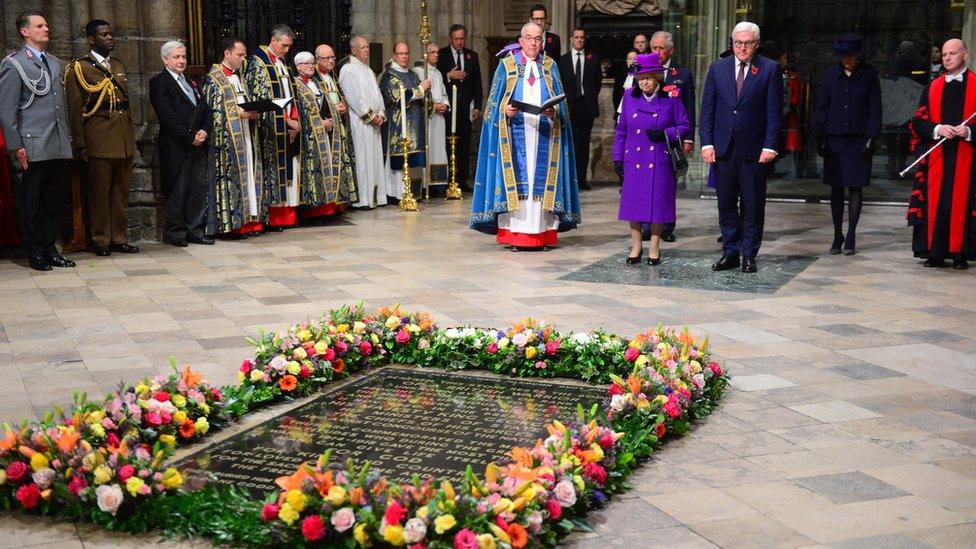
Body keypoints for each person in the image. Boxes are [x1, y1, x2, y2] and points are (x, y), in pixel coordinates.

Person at [470, 22, 580, 250]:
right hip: (514, 136)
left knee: (537, 184)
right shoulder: (506, 66)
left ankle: (542, 235)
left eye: (537, 38)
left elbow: (563, 107)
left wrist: (554, 111)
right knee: (520, 185)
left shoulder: (550, 66)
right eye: (528, 38)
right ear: (520, 41)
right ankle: (515, 235)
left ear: (542, 41)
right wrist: (505, 110)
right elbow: (491, 107)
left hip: (544, 136)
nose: (533, 42)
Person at [700, 21, 782, 273]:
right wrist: (707, 143)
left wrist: (770, 145)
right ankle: (731, 251)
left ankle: (749, 253)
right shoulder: (717, 68)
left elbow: (774, 112)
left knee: (753, 204)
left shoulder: (769, 69)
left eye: (747, 43)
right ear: (732, 43)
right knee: (725, 203)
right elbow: (708, 110)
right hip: (723, 149)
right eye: (738, 43)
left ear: (756, 44)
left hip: (755, 150)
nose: (742, 48)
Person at [0, 11, 74, 270]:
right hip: (32, 143)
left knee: (52, 200)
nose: (46, 28)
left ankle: (49, 247)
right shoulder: (15, 63)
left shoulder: (54, 62)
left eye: (46, 24)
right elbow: (7, 110)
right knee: (31, 201)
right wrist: (15, 145)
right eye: (39, 25)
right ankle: (34, 252)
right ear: (24, 31)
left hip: (56, 141)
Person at [64, 19, 139, 256]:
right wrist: (80, 143)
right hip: (98, 140)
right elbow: (75, 109)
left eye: (111, 34)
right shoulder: (79, 68)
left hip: (123, 139)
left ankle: (119, 237)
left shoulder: (117, 65)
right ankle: (100, 239)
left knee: (120, 194)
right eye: (104, 35)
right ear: (91, 39)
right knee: (99, 194)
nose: (110, 38)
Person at [613, 53, 691, 266]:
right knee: (633, 204)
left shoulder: (671, 97)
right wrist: (617, 157)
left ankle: (654, 247)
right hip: (634, 159)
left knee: (658, 204)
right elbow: (621, 130)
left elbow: (685, 125)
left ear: (657, 76)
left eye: (648, 77)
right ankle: (636, 245)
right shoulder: (629, 96)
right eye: (640, 78)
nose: (644, 82)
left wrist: (667, 134)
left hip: (659, 159)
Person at [907, 38, 975, 270]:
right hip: (938, 155)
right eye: (944, 54)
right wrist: (937, 128)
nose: (946, 58)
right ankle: (934, 252)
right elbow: (918, 121)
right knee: (938, 202)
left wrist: (968, 131)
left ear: (964, 55)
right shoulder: (933, 86)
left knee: (962, 203)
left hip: (967, 156)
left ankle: (960, 254)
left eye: (952, 53)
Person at [814, 34, 882, 256]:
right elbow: (822, 108)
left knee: (855, 187)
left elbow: (875, 108)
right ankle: (837, 233)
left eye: (851, 57)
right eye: (844, 57)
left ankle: (851, 233)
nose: (848, 61)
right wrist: (820, 137)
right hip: (835, 139)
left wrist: (872, 137)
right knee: (836, 187)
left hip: (859, 139)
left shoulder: (869, 74)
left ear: (857, 56)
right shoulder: (831, 76)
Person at [148, 40, 213, 248]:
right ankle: (175, 232)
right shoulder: (159, 82)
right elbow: (168, 115)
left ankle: (194, 230)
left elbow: (205, 109)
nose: (181, 60)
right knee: (178, 189)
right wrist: (189, 136)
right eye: (176, 57)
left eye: (183, 56)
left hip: (198, 144)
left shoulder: (192, 82)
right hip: (176, 145)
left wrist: (204, 130)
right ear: (165, 60)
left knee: (198, 189)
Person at [200, 37, 266, 237]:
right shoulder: (213, 79)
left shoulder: (240, 77)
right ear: (227, 54)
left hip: (246, 134)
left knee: (248, 176)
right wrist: (238, 113)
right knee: (230, 179)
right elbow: (211, 111)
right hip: (226, 141)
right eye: (239, 55)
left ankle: (248, 221)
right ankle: (229, 225)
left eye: (244, 55)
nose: (243, 59)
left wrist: (252, 112)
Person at [246, 24, 301, 230]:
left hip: (288, 123)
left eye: (289, 47)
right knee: (272, 170)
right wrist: (286, 120)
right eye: (284, 46)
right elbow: (263, 97)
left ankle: (287, 216)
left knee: (286, 169)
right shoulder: (259, 63)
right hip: (269, 126)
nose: (286, 50)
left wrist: (294, 119)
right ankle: (273, 218)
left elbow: (290, 94)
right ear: (273, 40)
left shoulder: (283, 63)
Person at [650, 30, 696, 243]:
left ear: (671, 50)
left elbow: (689, 108)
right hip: (650, 138)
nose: (657, 52)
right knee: (648, 183)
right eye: (654, 48)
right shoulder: (644, 71)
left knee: (668, 185)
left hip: (673, 137)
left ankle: (667, 226)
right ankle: (646, 224)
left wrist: (689, 139)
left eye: (661, 48)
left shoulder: (682, 74)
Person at [292, 51, 347, 218]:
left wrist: (335, 114)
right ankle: (313, 208)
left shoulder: (318, 83)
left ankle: (329, 204)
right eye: (305, 63)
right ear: (297, 67)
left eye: (311, 63)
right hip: (309, 138)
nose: (310, 66)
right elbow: (299, 112)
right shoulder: (296, 85)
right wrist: (318, 124)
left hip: (327, 134)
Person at [340, 36, 387, 209]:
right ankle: (363, 199)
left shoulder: (368, 70)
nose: (367, 50)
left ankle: (376, 198)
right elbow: (354, 99)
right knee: (363, 160)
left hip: (374, 123)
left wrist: (380, 114)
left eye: (368, 47)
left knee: (374, 160)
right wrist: (370, 116)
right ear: (353, 50)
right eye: (363, 47)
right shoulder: (348, 69)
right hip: (360, 123)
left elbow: (378, 96)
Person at [379, 42, 429, 203]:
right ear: (394, 55)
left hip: (414, 123)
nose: (404, 56)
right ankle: (396, 193)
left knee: (413, 159)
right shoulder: (389, 75)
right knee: (399, 161)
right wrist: (420, 90)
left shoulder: (413, 74)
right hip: (397, 124)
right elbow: (396, 96)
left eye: (406, 53)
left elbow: (422, 95)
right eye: (401, 53)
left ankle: (412, 191)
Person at [437, 24, 483, 192]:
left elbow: (478, 82)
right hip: (447, 108)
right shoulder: (441, 55)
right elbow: (434, 76)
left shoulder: (472, 56)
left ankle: (462, 180)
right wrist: (449, 75)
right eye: (456, 38)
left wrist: (478, 105)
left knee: (464, 144)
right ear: (451, 39)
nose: (459, 42)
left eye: (462, 38)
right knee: (448, 143)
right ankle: (448, 180)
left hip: (465, 108)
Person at [313, 44, 358, 206]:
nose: (332, 61)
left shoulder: (333, 76)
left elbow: (340, 98)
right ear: (317, 60)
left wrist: (343, 107)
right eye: (327, 58)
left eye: (333, 57)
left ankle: (338, 202)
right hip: (325, 130)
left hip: (339, 128)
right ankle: (326, 204)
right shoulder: (314, 78)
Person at [559, 28, 601, 191]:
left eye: (582, 37)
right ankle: (569, 180)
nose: (579, 40)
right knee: (569, 143)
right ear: (571, 39)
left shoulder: (594, 59)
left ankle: (581, 179)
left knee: (583, 144)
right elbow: (561, 83)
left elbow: (597, 83)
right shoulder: (562, 61)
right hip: (569, 106)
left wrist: (588, 97)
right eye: (576, 37)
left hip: (586, 106)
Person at [414, 44, 450, 193]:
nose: (436, 55)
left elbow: (443, 94)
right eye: (432, 52)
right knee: (428, 149)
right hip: (426, 118)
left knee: (439, 150)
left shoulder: (439, 73)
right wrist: (432, 106)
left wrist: (445, 105)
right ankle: (425, 184)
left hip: (438, 119)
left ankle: (438, 185)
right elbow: (418, 96)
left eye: (437, 52)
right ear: (425, 54)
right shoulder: (418, 71)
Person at [613, 49, 639, 121]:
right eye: (629, 58)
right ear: (626, 61)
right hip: (622, 112)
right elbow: (616, 96)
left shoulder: (643, 77)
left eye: (635, 58)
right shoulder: (620, 76)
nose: (632, 61)